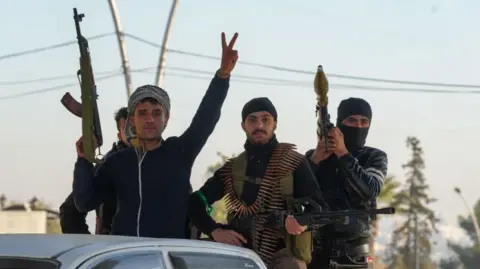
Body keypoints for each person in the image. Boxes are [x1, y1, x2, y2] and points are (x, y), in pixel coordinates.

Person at [73, 32, 239, 238]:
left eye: (156, 113)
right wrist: (83, 161)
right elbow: (84, 202)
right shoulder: (117, 163)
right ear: (132, 120)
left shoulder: (179, 152)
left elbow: (206, 118)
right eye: (142, 113)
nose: (149, 119)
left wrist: (222, 76)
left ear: (166, 118)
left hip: (167, 255)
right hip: (125, 255)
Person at [188, 97, 329, 269]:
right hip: (240, 254)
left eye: (265, 120)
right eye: (252, 120)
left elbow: (320, 210)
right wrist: (215, 230)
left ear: (274, 124)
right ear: (243, 126)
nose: (259, 125)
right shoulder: (232, 169)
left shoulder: (293, 162)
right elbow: (195, 202)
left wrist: (301, 221)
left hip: (281, 255)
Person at [305, 97, 388, 269]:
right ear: (339, 124)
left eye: (364, 121)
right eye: (351, 120)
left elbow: (369, 189)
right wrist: (315, 160)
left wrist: (343, 153)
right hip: (315, 254)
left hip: (355, 257)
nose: (358, 126)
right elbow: (298, 194)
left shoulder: (374, 157)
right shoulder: (314, 156)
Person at [59, 107, 129, 234]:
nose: (133, 132)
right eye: (127, 128)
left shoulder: (161, 159)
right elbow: (71, 211)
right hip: (114, 247)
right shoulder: (109, 166)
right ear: (120, 135)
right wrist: (90, 246)